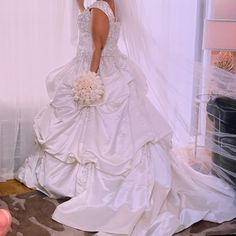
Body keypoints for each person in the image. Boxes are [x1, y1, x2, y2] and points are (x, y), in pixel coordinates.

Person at [16, 0, 236, 235]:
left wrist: (90, 81)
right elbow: (89, 24)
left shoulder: (101, 8)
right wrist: (81, 7)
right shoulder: (105, 4)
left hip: (96, 71)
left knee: (98, 140)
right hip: (95, 66)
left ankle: (100, 190)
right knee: (87, 138)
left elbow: (98, 48)